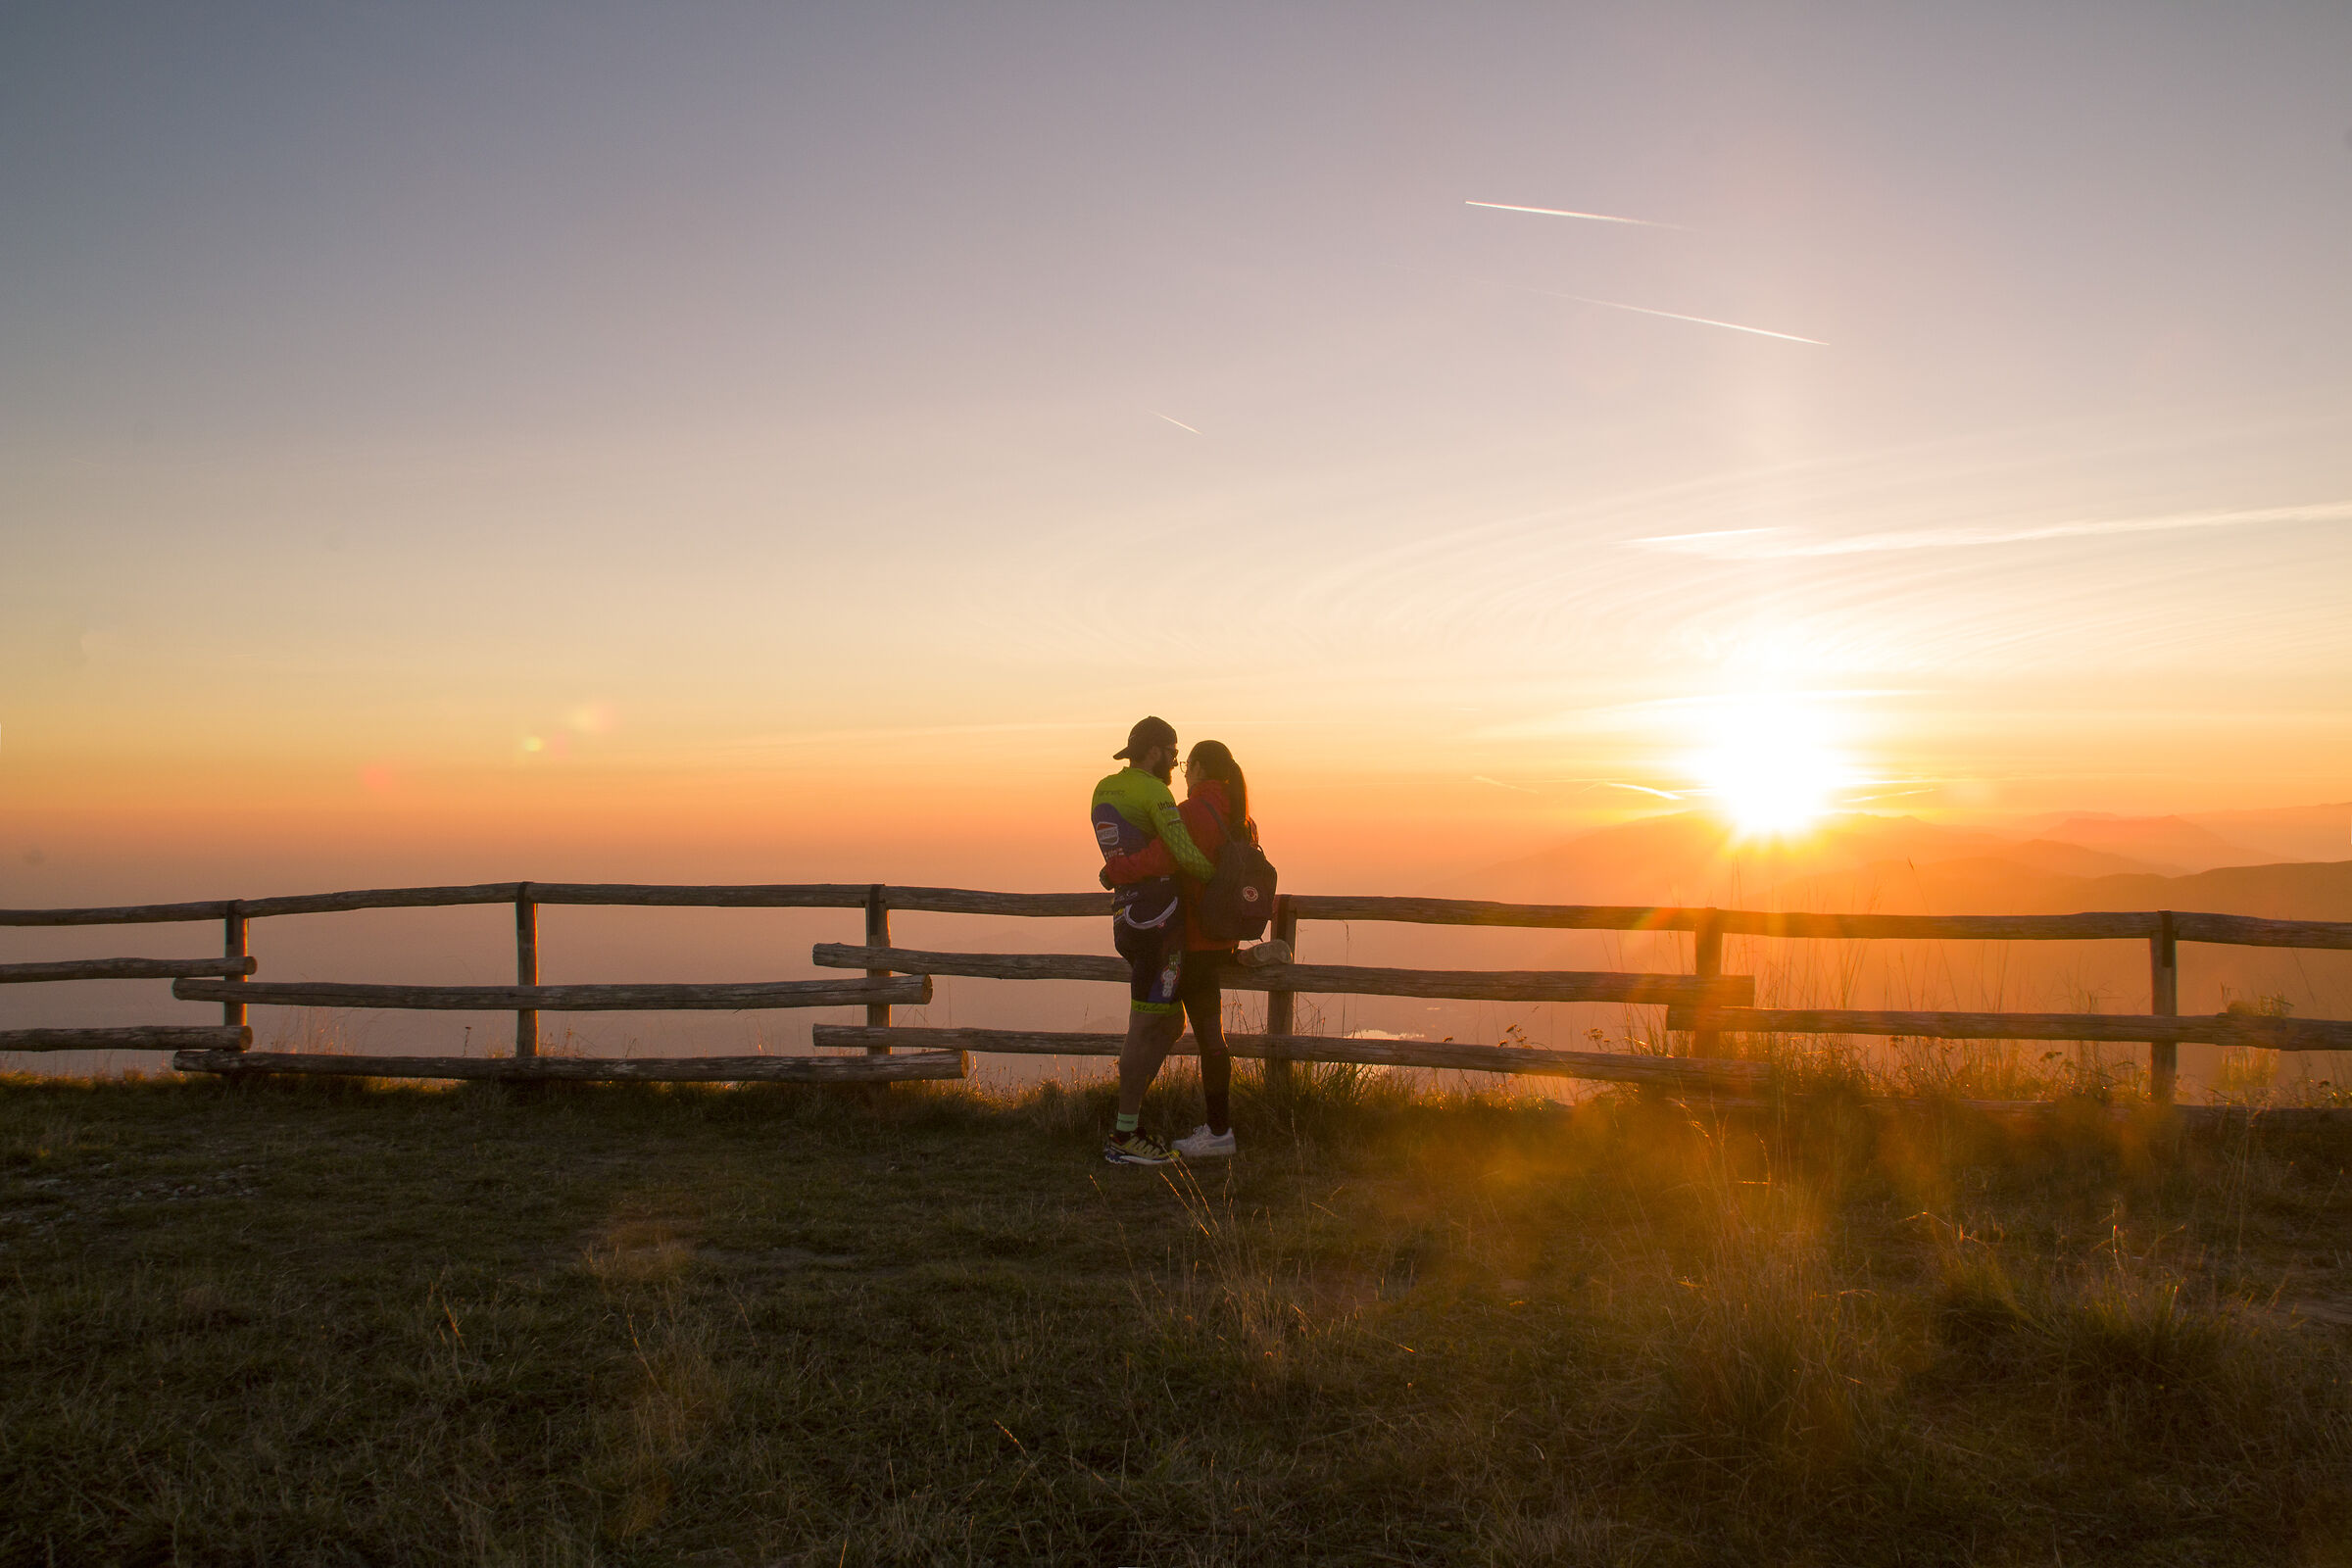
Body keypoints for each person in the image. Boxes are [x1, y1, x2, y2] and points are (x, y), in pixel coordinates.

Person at [1099, 738, 1255, 1159]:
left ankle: (1215, 1133)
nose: (1183, 772)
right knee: (1208, 1035)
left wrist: (1114, 870)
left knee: (1189, 1032)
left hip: (1191, 940)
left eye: (1188, 765)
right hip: (1222, 938)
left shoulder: (1192, 811)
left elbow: (1161, 858)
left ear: (1200, 768)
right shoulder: (1241, 814)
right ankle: (1217, 1129)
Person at [1091, 716, 1215, 1165]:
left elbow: (1118, 854)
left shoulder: (1103, 789)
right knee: (1144, 1025)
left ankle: (1131, 1125)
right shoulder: (1155, 792)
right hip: (1159, 920)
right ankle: (1125, 1137)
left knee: (1168, 1023)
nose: (1175, 762)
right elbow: (1183, 853)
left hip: (1127, 916)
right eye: (1173, 751)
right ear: (1156, 750)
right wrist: (1219, 880)